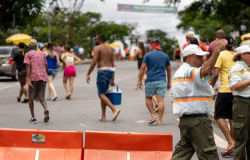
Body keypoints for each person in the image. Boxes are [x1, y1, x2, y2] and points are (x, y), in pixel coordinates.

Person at [170, 40, 227, 160]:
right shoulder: (189, 71)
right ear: (189, 57)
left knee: (181, 154)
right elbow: (206, 71)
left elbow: (173, 98)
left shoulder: (178, 74)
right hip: (198, 121)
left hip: (186, 121)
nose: (203, 59)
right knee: (209, 155)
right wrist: (216, 50)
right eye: (199, 56)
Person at [209, 35, 235, 157]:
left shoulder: (221, 55)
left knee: (218, 116)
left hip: (225, 89)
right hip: (236, 90)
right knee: (232, 118)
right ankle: (233, 145)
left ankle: (230, 142)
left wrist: (210, 87)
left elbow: (215, 73)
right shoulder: (236, 55)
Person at [86, 34, 121, 122]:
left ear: (98, 40)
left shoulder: (97, 48)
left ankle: (114, 110)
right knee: (104, 94)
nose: (95, 40)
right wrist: (113, 79)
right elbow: (113, 64)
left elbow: (94, 61)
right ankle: (103, 116)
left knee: (100, 94)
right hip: (110, 72)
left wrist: (88, 74)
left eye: (95, 39)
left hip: (102, 72)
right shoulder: (110, 49)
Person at [137, 39, 171, 126]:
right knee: (161, 101)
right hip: (162, 80)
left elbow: (142, 68)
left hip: (150, 81)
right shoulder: (165, 55)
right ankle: (160, 121)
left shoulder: (148, 55)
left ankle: (153, 115)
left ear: (152, 46)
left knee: (148, 98)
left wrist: (139, 80)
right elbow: (169, 70)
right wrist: (169, 82)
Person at [228, 45, 250, 160]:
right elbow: (235, 86)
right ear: (243, 55)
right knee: (241, 138)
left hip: (247, 103)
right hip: (242, 103)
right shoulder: (237, 68)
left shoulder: (247, 68)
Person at [23, 39, 49, 124]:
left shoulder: (28, 54)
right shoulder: (42, 54)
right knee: (42, 96)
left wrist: (28, 79)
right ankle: (46, 109)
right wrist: (46, 75)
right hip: (43, 77)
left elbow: (28, 66)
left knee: (31, 97)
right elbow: (46, 66)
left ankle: (33, 117)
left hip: (34, 77)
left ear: (29, 46)